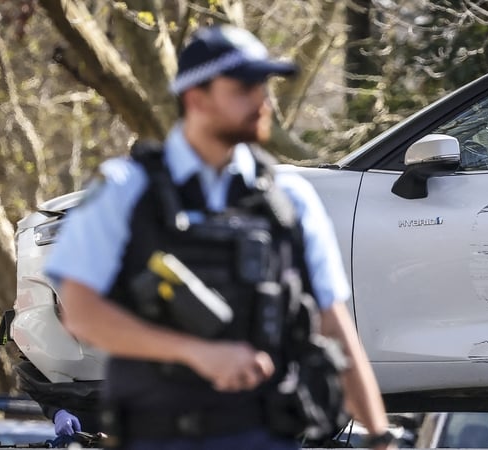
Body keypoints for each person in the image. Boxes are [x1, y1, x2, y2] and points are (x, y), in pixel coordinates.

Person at [44, 24, 396, 450]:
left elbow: (335, 327)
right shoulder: (124, 190)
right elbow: (80, 313)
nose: (263, 101)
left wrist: (379, 437)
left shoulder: (292, 200)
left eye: (264, 87)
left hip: (265, 435)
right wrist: (195, 352)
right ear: (196, 97)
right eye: (244, 88)